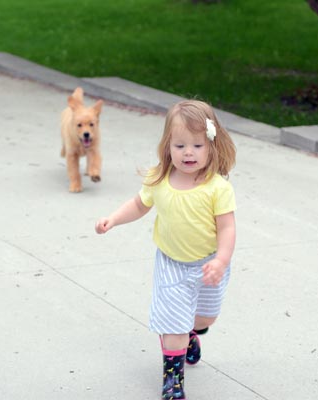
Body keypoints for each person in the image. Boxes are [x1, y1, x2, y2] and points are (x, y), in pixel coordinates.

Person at [95, 99, 236, 400]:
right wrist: (114, 219)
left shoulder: (217, 187)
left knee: (204, 317)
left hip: (210, 263)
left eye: (197, 145)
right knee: (174, 323)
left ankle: (193, 334)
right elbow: (138, 205)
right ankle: (173, 380)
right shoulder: (159, 178)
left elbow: (226, 228)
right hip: (171, 263)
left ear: (212, 145)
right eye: (180, 145)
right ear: (167, 145)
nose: (188, 152)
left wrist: (222, 260)